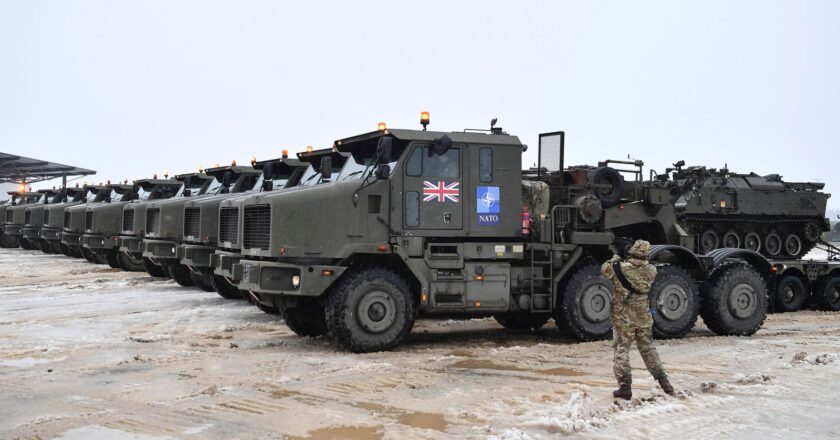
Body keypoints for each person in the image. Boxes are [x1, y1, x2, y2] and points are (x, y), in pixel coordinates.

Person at [601, 239, 675, 400]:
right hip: (643, 316)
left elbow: (605, 269)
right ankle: (665, 383)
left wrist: (617, 255)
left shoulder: (619, 267)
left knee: (622, 350)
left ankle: (625, 387)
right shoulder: (652, 270)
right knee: (648, 349)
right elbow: (640, 268)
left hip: (623, 317)